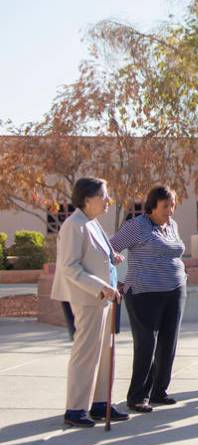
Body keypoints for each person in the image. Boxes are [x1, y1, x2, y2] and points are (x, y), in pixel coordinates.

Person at [51, 177, 126, 427]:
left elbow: (96, 255)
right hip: (88, 298)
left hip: (106, 299)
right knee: (86, 354)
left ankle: (100, 404)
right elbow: (70, 267)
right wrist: (101, 286)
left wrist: (111, 258)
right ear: (87, 199)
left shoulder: (92, 223)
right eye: (103, 195)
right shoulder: (74, 225)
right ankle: (75, 408)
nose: (108, 200)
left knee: (105, 353)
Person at [109, 185, 187, 412]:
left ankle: (159, 392)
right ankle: (137, 396)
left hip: (175, 290)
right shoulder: (137, 226)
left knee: (168, 343)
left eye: (172, 206)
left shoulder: (172, 225)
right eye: (165, 206)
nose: (170, 211)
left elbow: (174, 252)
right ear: (152, 206)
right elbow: (109, 248)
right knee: (146, 345)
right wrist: (116, 282)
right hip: (144, 293)